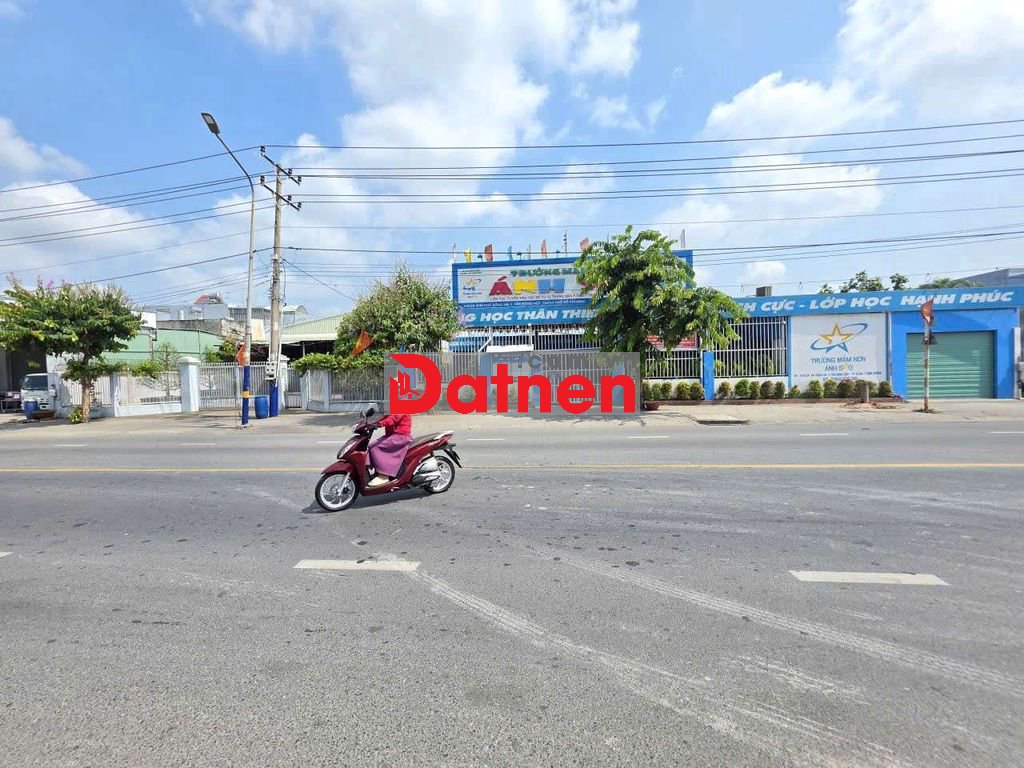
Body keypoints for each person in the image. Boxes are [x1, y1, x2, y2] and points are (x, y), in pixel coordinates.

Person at [367, 412, 413, 487]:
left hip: (400, 437)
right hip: (392, 436)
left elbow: (393, 419)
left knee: (375, 448)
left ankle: (384, 476)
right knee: (371, 445)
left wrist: (379, 424)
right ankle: (375, 470)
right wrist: (374, 423)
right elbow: (387, 417)